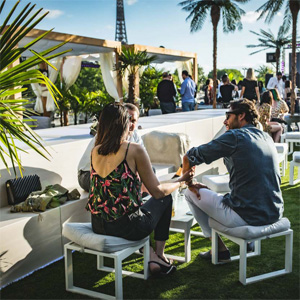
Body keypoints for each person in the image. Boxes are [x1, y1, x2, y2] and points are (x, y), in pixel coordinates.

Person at [86, 103, 194, 275]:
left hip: (98, 223)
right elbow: (157, 191)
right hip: (126, 228)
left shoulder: (95, 150)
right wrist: (181, 181)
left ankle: (155, 256)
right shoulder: (133, 149)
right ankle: (158, 256)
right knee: (165, 198)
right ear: (124, 124)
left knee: (144, 202)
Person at [182, 99, 283, 262]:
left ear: (241, 116)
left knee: (189, 194)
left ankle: (219, 250)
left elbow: (190, 155)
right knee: (238, 192)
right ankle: (248, 241)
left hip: (248, 216)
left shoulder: (234, 136)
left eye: (228, 115)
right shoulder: (265, 137)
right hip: (274, 212)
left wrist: (190, 184)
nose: (225, 121)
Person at [77, 103, 145, 193]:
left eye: (133, 121)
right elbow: (108, 164)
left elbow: (143, 161)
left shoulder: (135, 134)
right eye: (128, 119)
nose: (130, 123)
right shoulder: (108, 134)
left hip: (113, 174)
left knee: (148, 173)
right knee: (123, 181)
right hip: (86, 174)